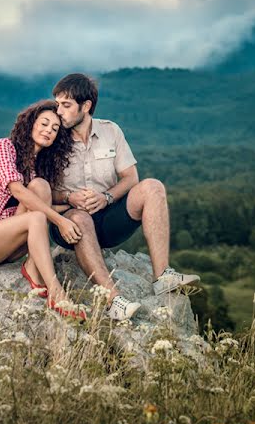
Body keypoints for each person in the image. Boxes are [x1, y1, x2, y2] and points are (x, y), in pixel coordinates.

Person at [0, 100, 138, 321]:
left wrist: (76, 204)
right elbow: (19, 192)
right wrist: (61, 221)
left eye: (54, 128)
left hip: (9, 244)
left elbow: (42, 203)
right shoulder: (4, 147)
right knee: (37, 216)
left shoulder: (37, 168)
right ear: (30, 123)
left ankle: (32, 267)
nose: (48, 131)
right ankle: (57, 293)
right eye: (43, 123)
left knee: (40, 187)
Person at [50, 73, 198, 316]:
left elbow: (131, 178)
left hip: (107, 218)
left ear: (85, 106)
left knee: (153, 186)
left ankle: (162, 276)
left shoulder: (111, 131)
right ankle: (113, 301)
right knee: (80, 218)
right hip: (68, 222)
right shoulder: (53, 136)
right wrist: (69, 197)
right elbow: (40, 190)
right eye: (57, 104)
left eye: (66, 105)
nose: (59, 111)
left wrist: (106, 197)